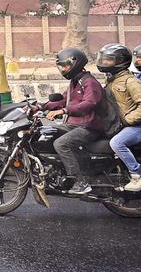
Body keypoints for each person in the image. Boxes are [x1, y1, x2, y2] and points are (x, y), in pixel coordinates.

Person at [39, 48, 107, 195]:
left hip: (90, 126)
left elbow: (90, 103)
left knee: (61, 143)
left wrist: (64, 111)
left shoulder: (89, 82)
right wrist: (40, 106)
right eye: (61, 66)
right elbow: (64, 100)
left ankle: (80, 181)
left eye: (65, 66)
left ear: (75, 63)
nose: (63, 69)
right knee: (50, 135)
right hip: (76, 124)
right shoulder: (75, 82)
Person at [97, 43, 141, 192]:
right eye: (103, 59)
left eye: (109, 60)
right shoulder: (112, 81)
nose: (104, 63)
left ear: (120, 61)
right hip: (124, 126)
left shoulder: (131, 81)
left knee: (117, 143)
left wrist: (127, 120)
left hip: (140, 127)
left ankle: (139, 176)